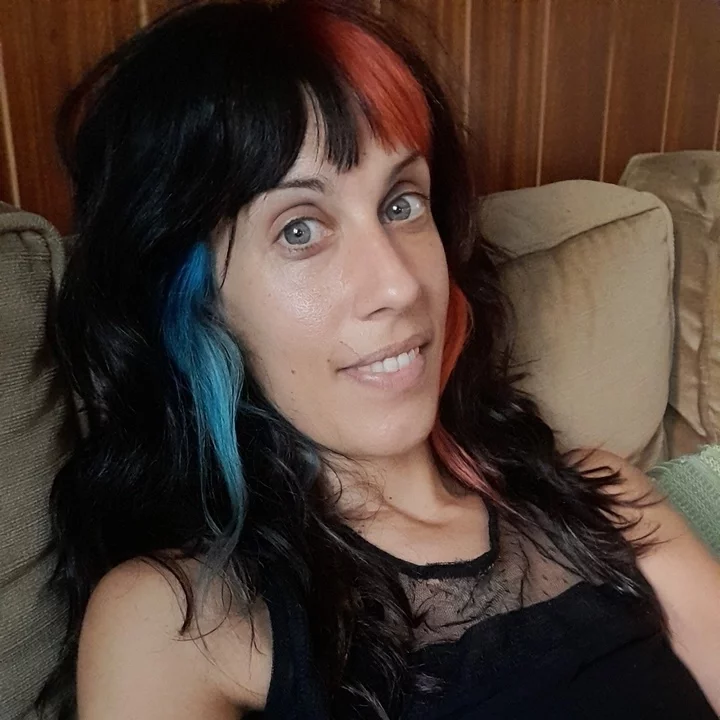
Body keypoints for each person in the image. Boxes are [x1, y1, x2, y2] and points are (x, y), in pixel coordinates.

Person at [37, 0, 720, 718]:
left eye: (401, 204)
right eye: (299, 229)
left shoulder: (604, 497)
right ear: (197, 305)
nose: (400, 285)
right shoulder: (174, 623)